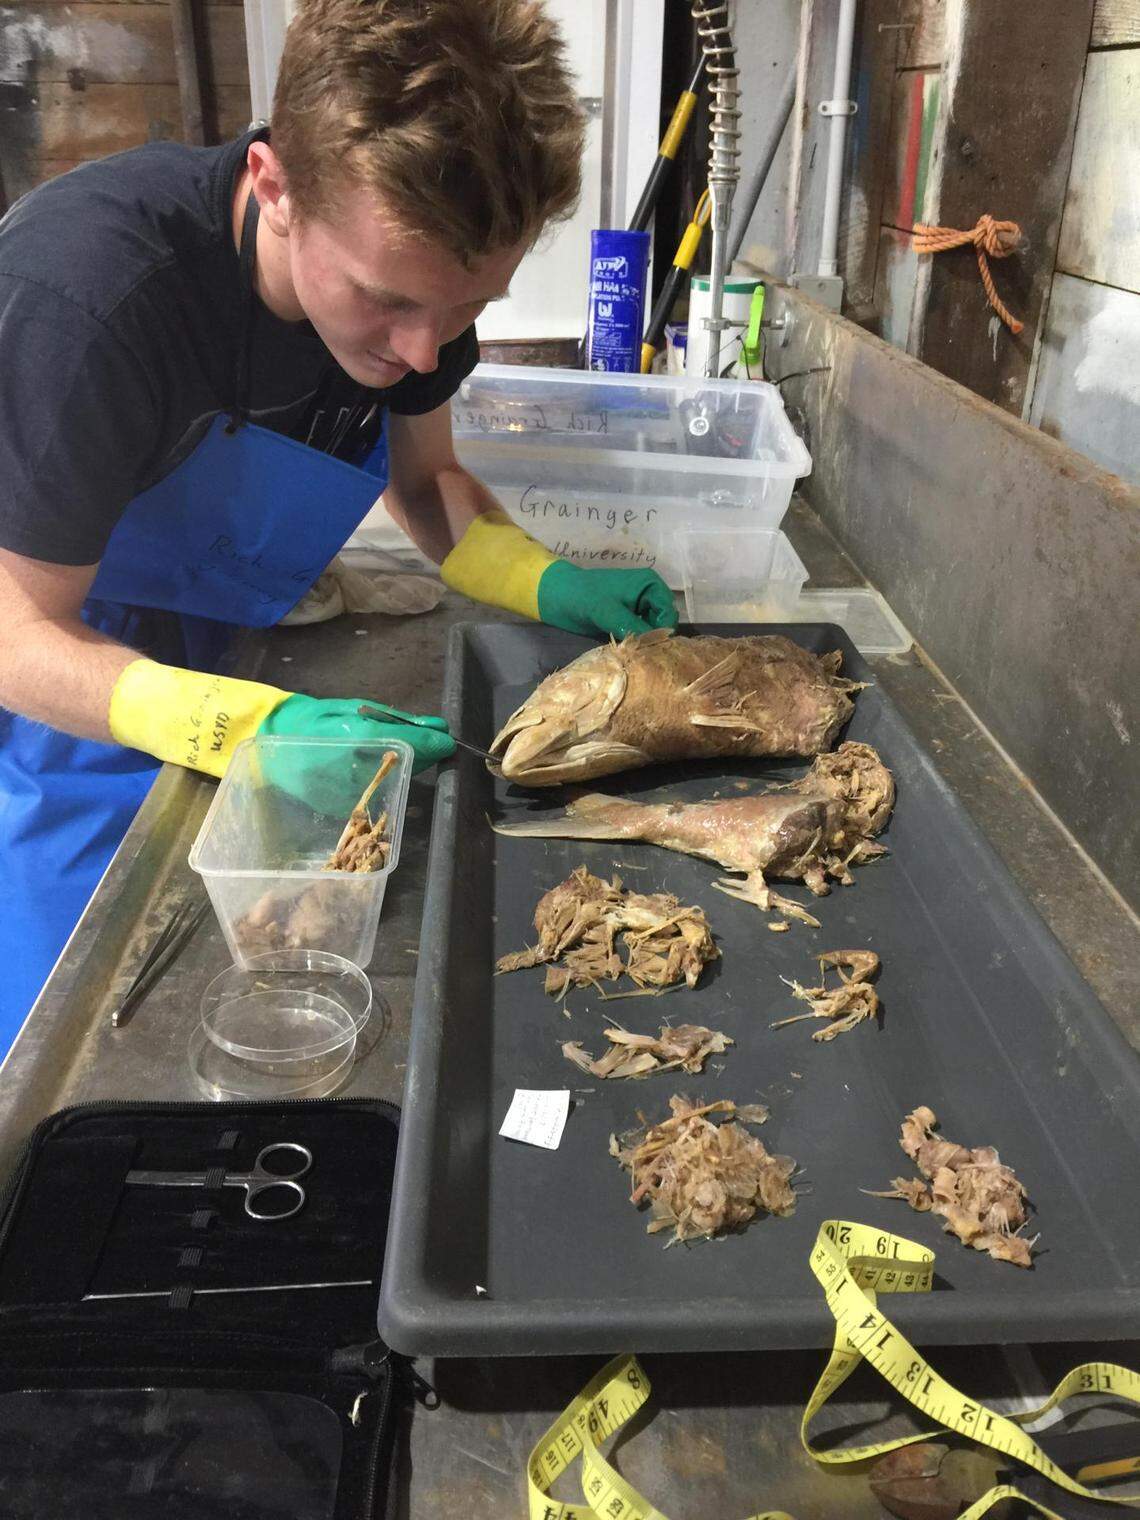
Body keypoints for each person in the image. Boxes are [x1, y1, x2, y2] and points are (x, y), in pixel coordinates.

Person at [0, 0, 677, 1042]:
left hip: (228, 625)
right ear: (275, 188)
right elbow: (15, 631)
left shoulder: (424, 286)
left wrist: (551, 580)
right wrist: (245, 731)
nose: (421, 352)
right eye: (385, 302)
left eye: (462, 310)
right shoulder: (89, 301)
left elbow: (427, 482)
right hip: (68, 664)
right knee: (85, 1021)